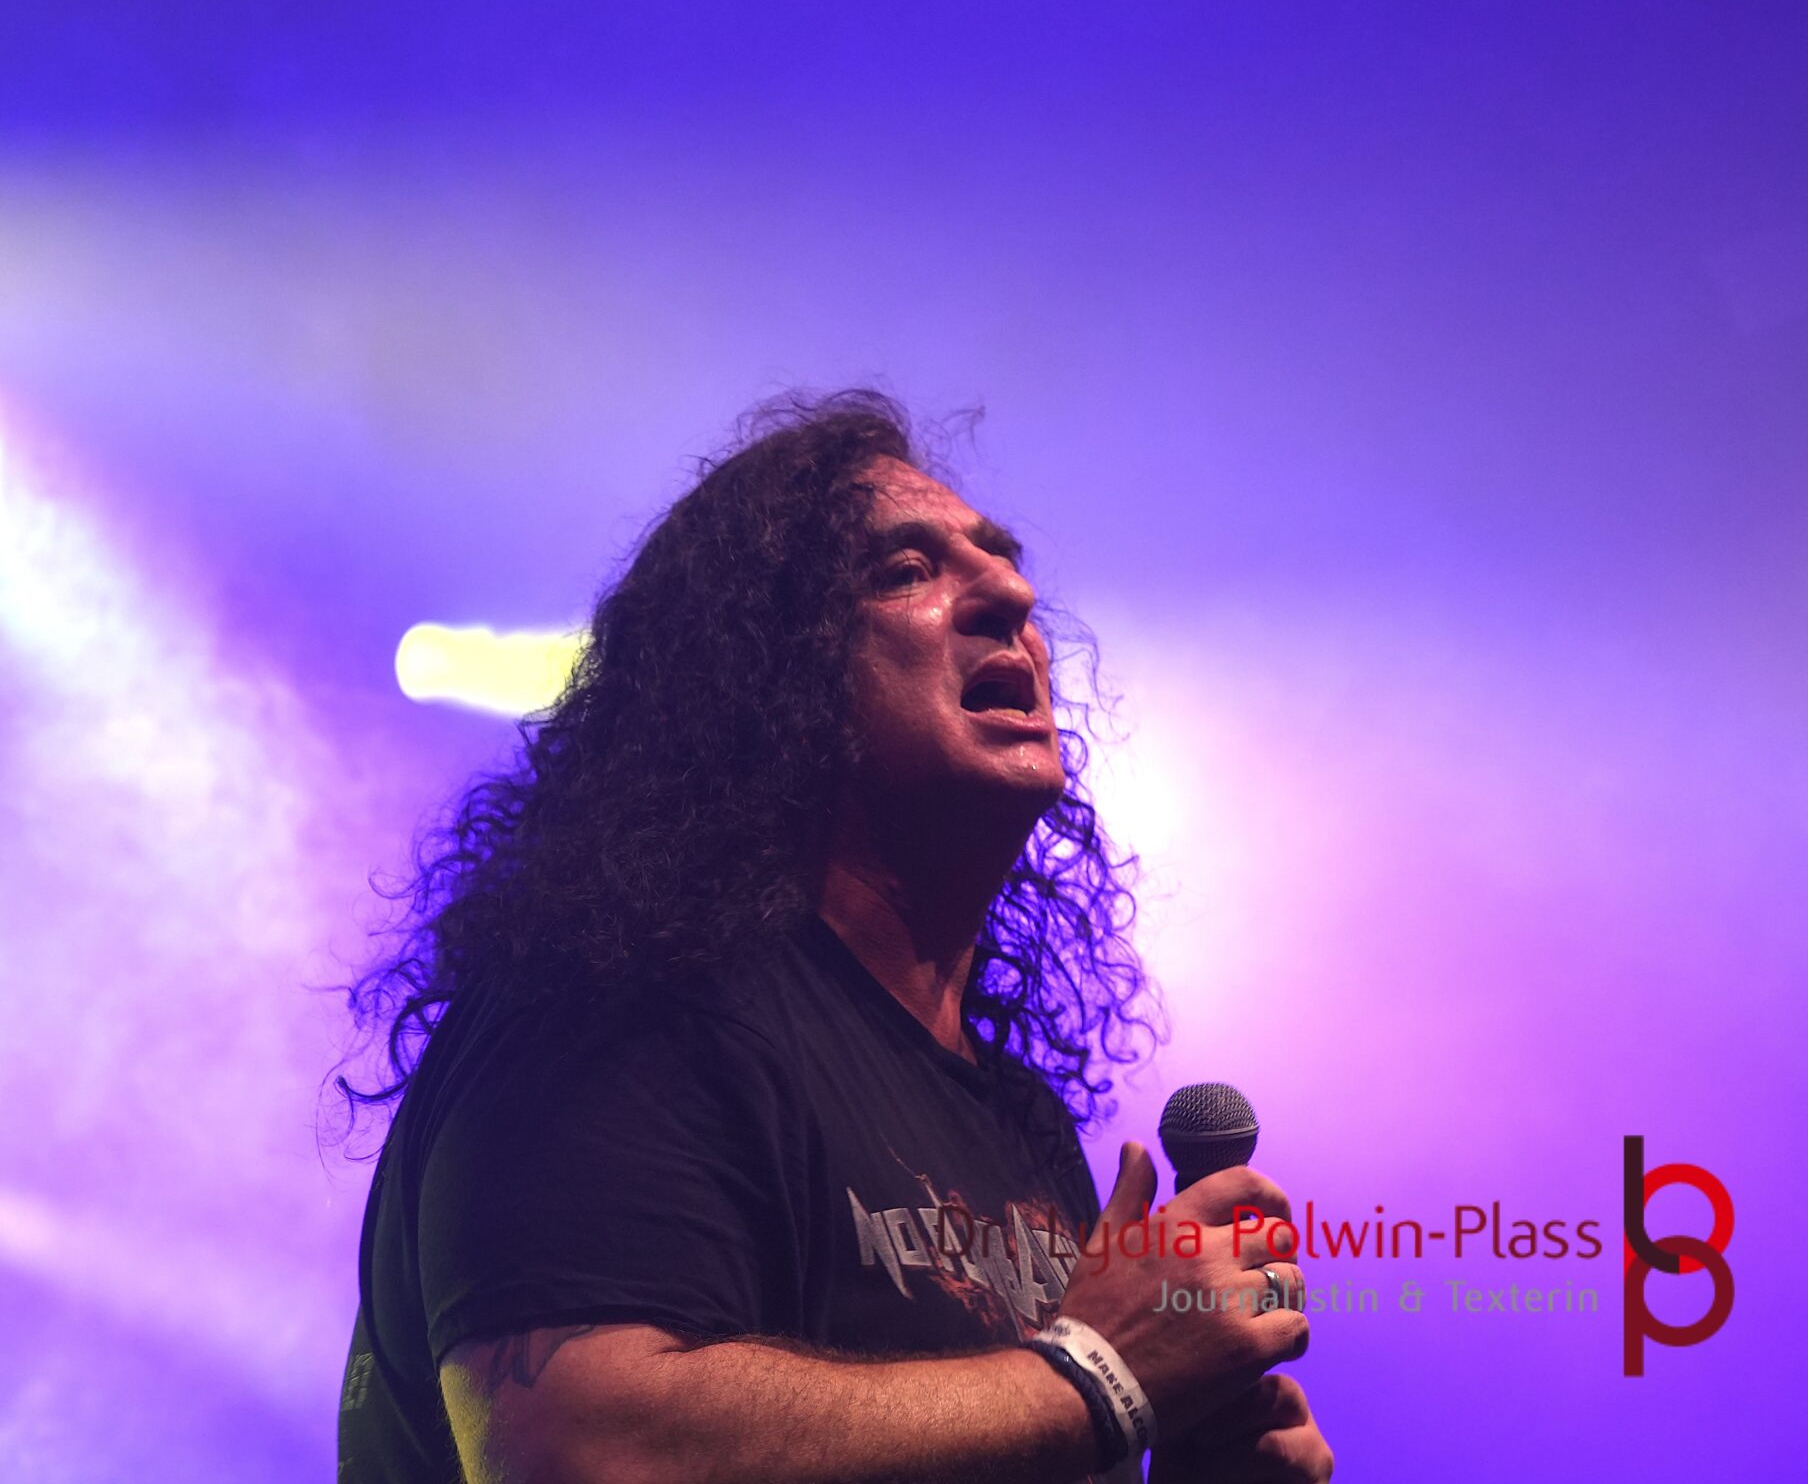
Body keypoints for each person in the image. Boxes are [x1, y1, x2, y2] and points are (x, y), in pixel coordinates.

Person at [334, 393, 1332, 1483]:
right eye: (905, 570)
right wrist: (1098, 1376)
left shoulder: (1021, 1126)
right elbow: (581, 1452)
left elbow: (1023, 1419)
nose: (1011, 593)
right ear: (766, 678)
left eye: (1003, 563)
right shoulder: (616, 998)